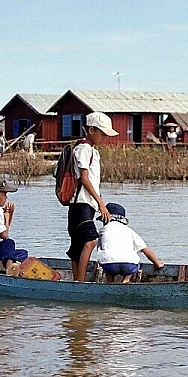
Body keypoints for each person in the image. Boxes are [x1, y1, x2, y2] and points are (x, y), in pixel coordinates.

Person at [67, 112, 119, 281]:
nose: (103, 137)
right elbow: (84, 178)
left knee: (78, 246)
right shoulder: (83, 149)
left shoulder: (91, 151)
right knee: (91, 241)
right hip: (81, 204)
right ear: (91, 130)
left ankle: (76, 281)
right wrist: (101, 203)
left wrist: (97, 204)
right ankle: (80, 283)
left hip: (85, 205)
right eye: (102, 133)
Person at [96, 202, 164, 283]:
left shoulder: (103, 230)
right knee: (135, 263)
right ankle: (126, 279)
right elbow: (145, 250)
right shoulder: (129, 231)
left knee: (106, 258)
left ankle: (111, 282)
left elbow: (99, 249)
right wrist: (157, 263)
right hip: (129, 265)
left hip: (109, 265)